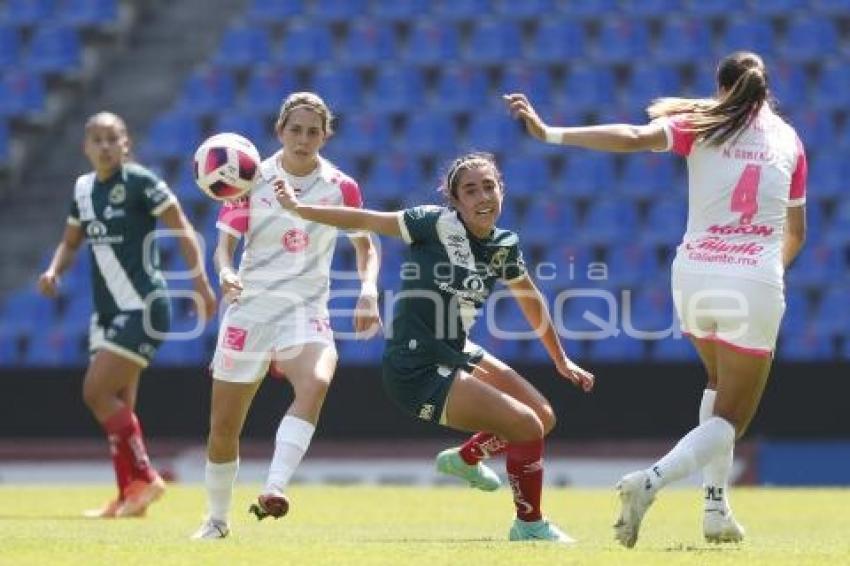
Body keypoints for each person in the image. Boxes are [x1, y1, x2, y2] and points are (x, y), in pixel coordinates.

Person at [506, 50, 807, 547]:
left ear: (721, 87)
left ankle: (716, 510)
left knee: (716, 384)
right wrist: (771, 272)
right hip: (752, 279)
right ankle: (651, 482)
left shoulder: (700, 123)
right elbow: (795, 230)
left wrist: (549, 132)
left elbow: (631, 136)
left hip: (693, 275)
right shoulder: (789, 140)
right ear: (765, 90)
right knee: (730, 420)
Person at [274, 151, 595, 543]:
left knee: (542, 417)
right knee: (525, 426)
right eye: (471, 190)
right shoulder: (433, 223)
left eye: (489, 187)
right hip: (416, 367)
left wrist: (560, 359)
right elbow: (364, 220)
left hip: (455, 349)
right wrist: (298, 208)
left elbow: (531, 300)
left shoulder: (503, 246)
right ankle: (528, 526)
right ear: (455, 201)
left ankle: (465, 459)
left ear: (502, 191)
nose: (482, 197)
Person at [191, 92, 381, 540]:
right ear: (280, 131)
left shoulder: (341, 186)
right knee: (223, 428)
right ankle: (216, 520)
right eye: (295, 129)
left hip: (305, 309)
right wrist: (224, 271)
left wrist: (368, 290)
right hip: (250, 310)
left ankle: (274, 487)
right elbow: (224, 245)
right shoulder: (249, 177)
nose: (303, 138)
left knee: (316, 380)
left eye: (313, 131)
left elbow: (365, 246)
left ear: (325, 135)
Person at [37, 111, 217, 518]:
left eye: (112, 138)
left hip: (144, 306)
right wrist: (53, 269)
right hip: (107, 312)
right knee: (119, 403)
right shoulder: (83, 190)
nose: (104, 146)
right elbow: (70, 241)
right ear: (85, 147)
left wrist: (200, 284)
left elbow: (183, 228)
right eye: (96, 139)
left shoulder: (140, 182)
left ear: (126, 144)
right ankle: (127, 496)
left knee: (95, 392)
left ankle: (146, 478)